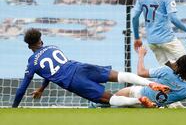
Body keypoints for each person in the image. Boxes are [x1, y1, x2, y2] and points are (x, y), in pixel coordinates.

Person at [12, 28, 170, 108]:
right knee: (119, 75)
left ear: (29, 46)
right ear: (41, 40)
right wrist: (42, 88)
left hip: (73, 81)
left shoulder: (32, 62)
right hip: (80, 67)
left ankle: (139, 100)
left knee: (109, 99)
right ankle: (150, 83)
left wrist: (14, 107)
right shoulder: (53, 47)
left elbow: (22, 89)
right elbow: (50, 71)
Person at [115, 46, 186, 108]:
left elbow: (141, 72)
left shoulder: (166, 71)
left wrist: (141, 55)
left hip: (136, 92)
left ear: (179, 64)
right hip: (149, 106)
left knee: (111, 100)